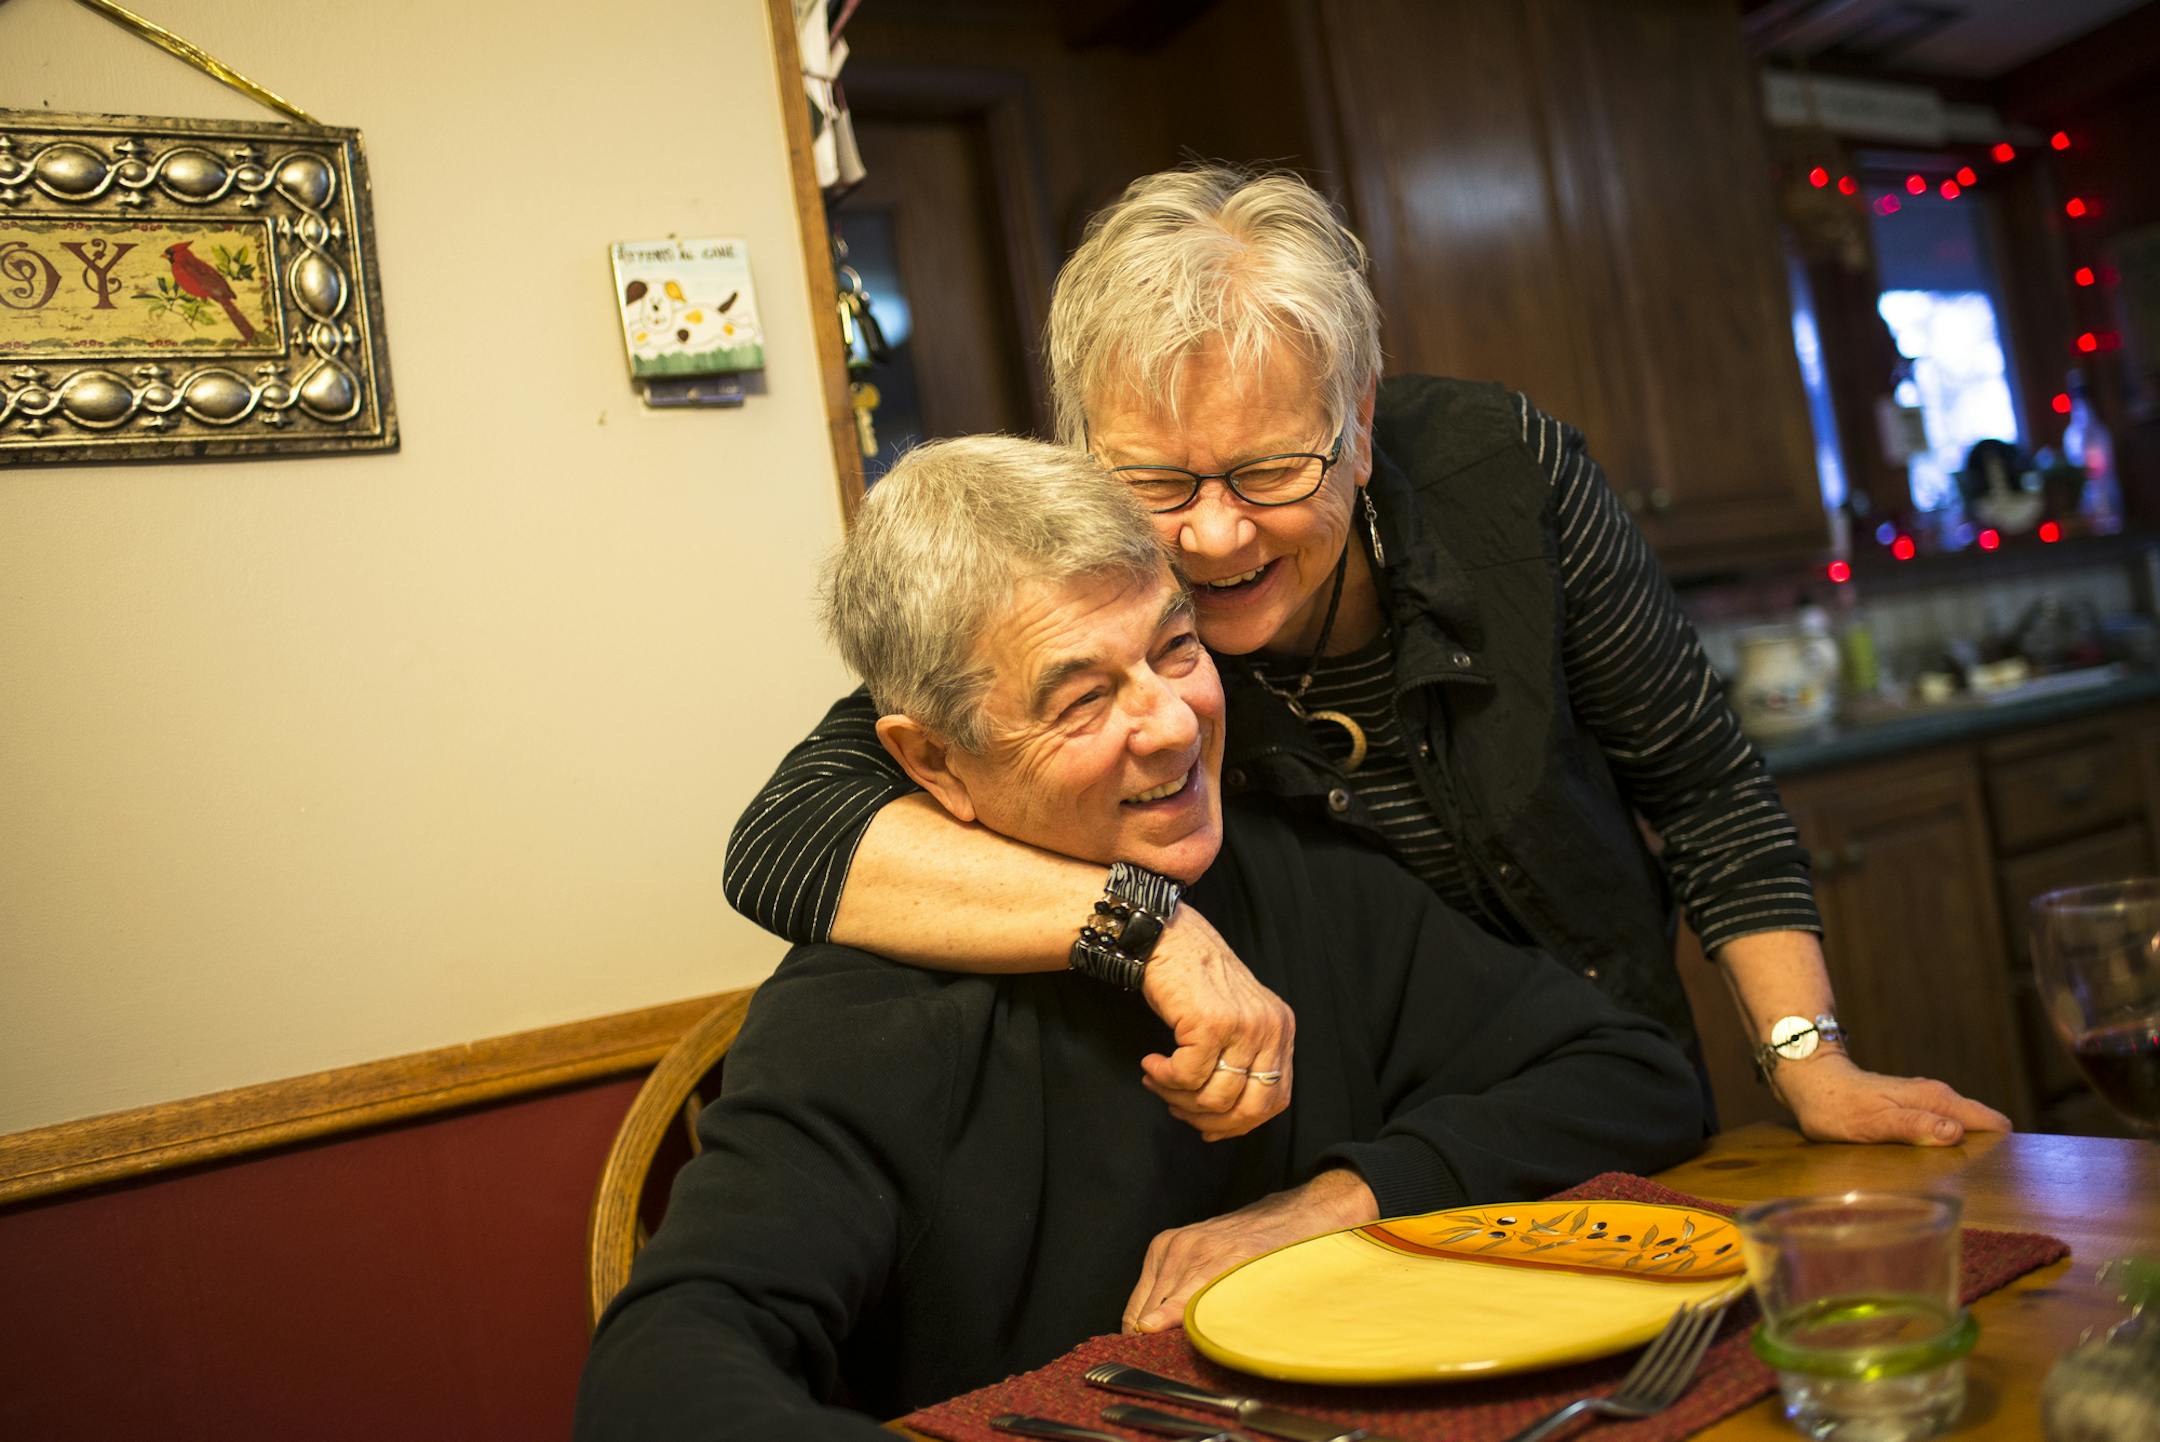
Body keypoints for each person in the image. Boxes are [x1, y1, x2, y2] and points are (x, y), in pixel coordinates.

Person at [725, 163, 2011, 1147]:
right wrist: (1149, 931)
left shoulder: (1509, 474)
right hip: (1340, 1158)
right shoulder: (1081, 576)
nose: (1214, 534)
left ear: (1362, 416)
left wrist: (1810, 1061)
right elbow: (790, 833)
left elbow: (1704, 788)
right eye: (1157, 479)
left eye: (1274, 469)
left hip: (1603, 1095)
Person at [575, 437, 1704, 1442]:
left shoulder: (1299, 878)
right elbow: (656, 1377)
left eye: (1173, 650)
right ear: (933, 765)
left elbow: (1639, 1077)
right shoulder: (860, 1017)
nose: (1169, 723)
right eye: (1079, 699)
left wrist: (1339, 1197)